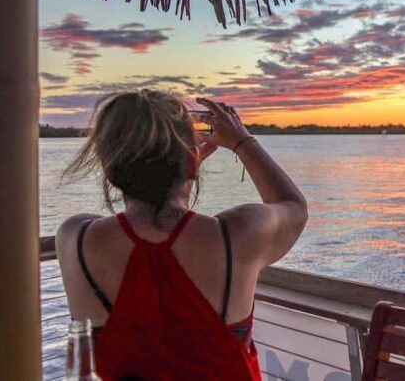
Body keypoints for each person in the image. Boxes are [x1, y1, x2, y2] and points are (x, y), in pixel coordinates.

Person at [55, 90, 308, 380]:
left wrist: (178, 169)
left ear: (110, 172)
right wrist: (242, 141)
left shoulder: (76, 238)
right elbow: (293, 206)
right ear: (190, 160)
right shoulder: (236, 235)